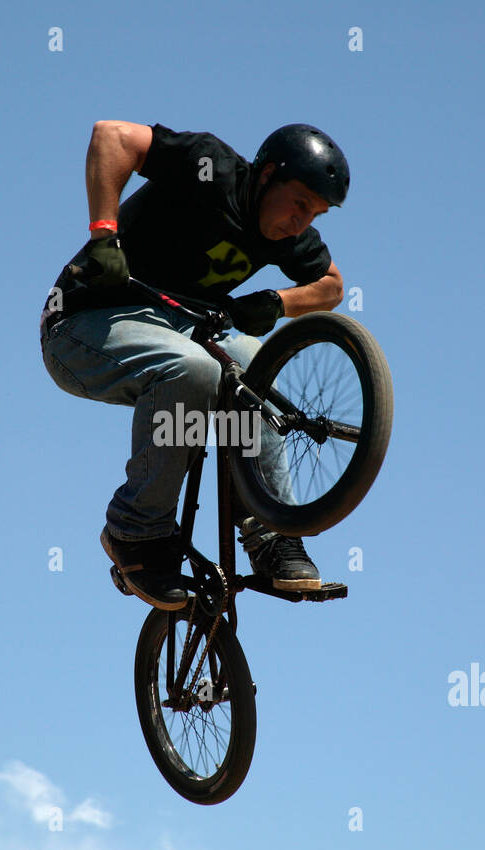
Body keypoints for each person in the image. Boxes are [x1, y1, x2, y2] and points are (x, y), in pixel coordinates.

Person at [39, 121, 349, 611]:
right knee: (196, 369)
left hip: (181, 330)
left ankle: (268, 531)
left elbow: (332, 286)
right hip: (83, 324)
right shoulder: (212, 169)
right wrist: (104, 235)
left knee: (252, 362)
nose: (301, 222)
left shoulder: (289, 233)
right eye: (299, 203)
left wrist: (275, 301)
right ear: (267, 175)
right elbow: (112, 137)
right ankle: (135, 530)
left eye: (315, 214)